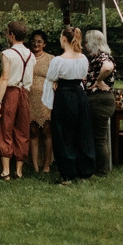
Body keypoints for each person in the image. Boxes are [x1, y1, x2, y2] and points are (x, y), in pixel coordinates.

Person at [41, 26, 95, 185]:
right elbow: (82, 77)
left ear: (64, 38)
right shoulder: (83, 58)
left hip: (64, 96)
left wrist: (49, 102)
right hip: (79, 96)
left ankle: (68, 174)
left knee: (64, 133)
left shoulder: (58, 60)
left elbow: (50, 80)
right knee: (81, 131)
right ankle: (84, 170)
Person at [0, 20, 34, 180]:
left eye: (8, 32)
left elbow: (4, 78)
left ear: (12, 35)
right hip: (25, 93)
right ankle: (19, 171)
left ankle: (6, 172)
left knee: (5, 129)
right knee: (22, 130)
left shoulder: (7, 54)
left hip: (11, 93)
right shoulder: (31, 55)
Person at [83, 28, 117, 175]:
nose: (84, 45)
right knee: (99, 136)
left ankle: (102, 170)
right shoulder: (98, 57)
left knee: (99, 138)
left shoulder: (102, 57)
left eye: (86, 42)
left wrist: (98, 80)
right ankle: (98, 167)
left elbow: (108, 67)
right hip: (101, 100)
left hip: (99, 100)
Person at [27, 30, 55, 175]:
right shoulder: (27, 57)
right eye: (33, 41)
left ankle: (46, 165)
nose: (36, 43)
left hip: (46, 98)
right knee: (32, 131)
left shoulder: (51, 59)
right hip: (30, 97)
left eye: (39, 41)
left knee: (46, 131)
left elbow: (57, 77)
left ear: (44, 43)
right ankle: (34, 166)